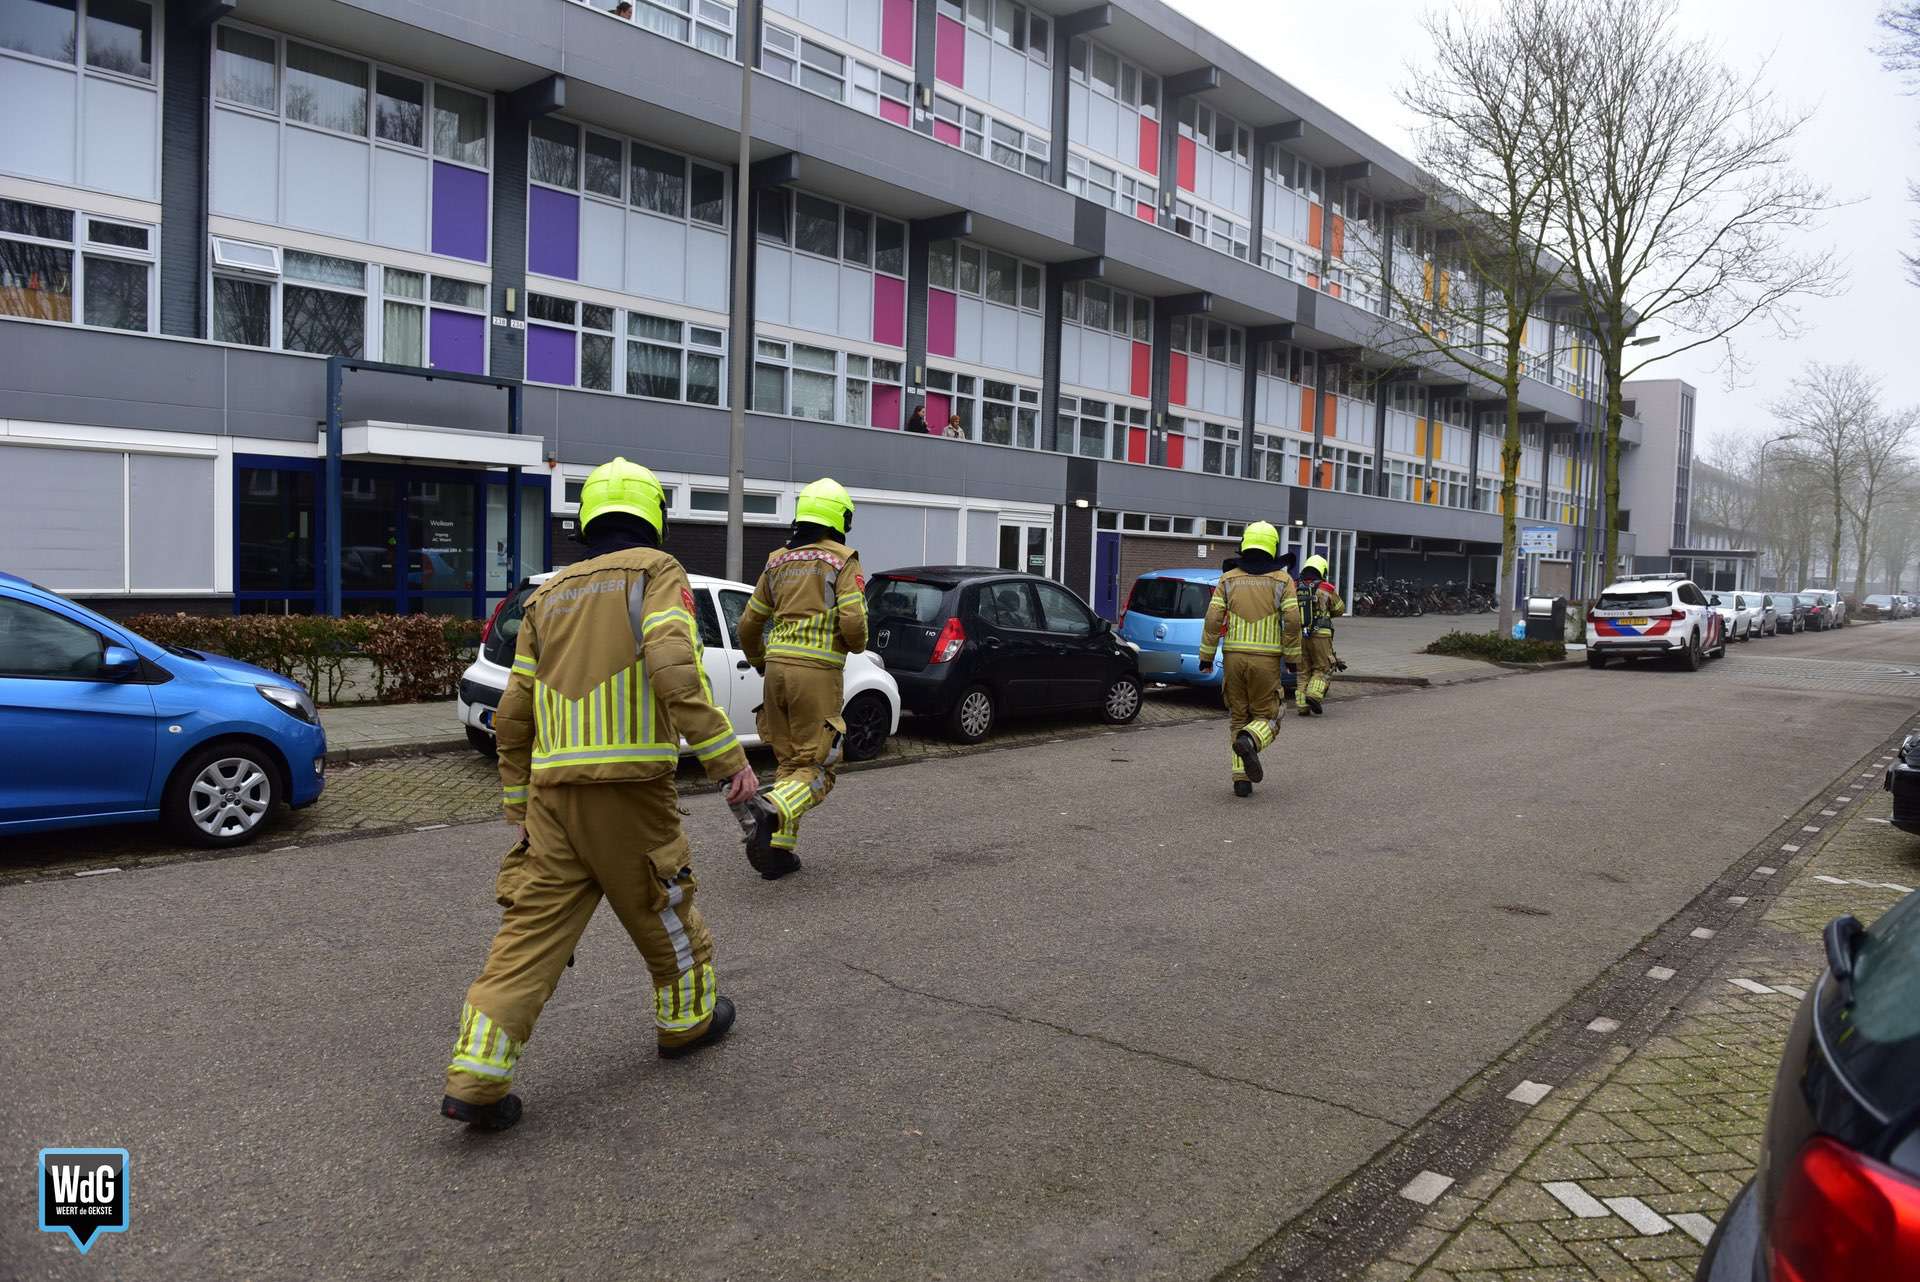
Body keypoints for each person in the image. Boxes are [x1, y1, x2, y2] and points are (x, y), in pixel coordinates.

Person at [440, 457, 759, 1132]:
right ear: (652, 518)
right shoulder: (655, 573)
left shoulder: (545, 596)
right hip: (631, 795)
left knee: (527, 935)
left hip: (553, 801)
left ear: (588, 522)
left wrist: (516, 800)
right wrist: (726, 759)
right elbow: (675, 670)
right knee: (663, 909)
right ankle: (687, 1024)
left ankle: (477, 1077)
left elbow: (514, 710)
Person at [736, 478, 868, 879]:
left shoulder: (777, 561)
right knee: (818, 767)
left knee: (791, 763)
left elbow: (748, 625)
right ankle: (773, 809)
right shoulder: (843, 561)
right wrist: (854, 644)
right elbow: (855, 622)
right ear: (838, 518)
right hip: (815, 675)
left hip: (774, 673)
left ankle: (776, 854)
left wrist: (761, 662)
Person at [1197, 521, 1299, 797]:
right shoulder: (1282, 580)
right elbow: (1291, 619)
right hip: (1265, 661)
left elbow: (1213, 618)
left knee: (1238, 716)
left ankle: (1241, 780)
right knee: (1270, 716)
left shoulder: (1228, 578)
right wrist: (1292, 657)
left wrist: (1206, 656)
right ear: (1272, 545)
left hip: (1232, 660)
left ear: (1246, 543)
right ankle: (1250, 740)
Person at [1295, 554, 1346, 715]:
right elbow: (1339, 609)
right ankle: (1314, 695)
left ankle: (1302, 706)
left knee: (1303, 671)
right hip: (1321, 634)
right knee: (1323, 667)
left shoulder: (1294, 586)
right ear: (1322, 570)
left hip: (1299, 634)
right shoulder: (1326, 588)